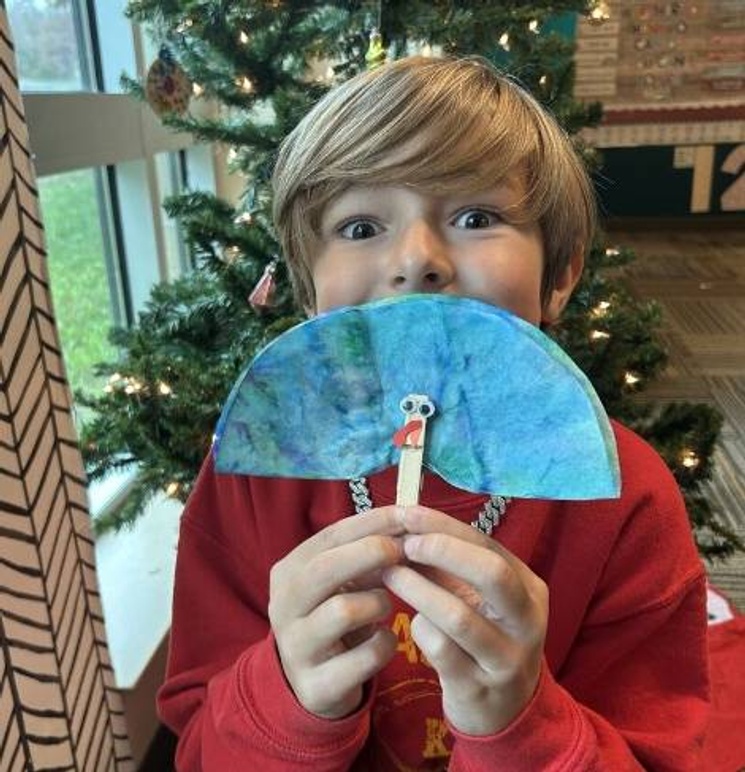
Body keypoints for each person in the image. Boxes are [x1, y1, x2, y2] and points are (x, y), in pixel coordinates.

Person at [157, 56, 709, 771]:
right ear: (308, 293)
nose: (416, 260)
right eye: (360, 228)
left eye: (475, 217)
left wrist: (522, 723)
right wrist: (287, 696)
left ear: (560, 275)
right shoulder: (255, 473)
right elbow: (201, 748)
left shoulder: (624, 496)